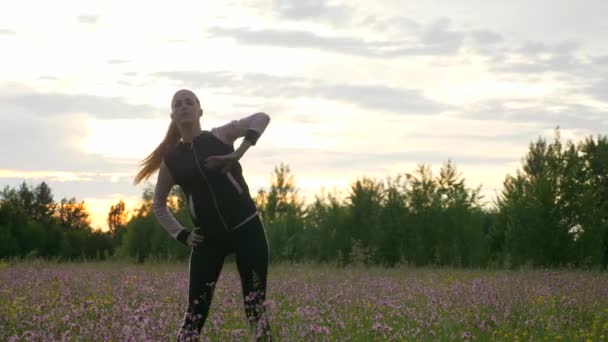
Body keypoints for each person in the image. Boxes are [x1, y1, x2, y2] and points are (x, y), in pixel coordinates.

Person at [133, 89, 272, 341]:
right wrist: (182, 234)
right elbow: (158, 204)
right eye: (178, 104)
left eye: (189, 102)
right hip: (208, 240)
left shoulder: (220, 136)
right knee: (194, 315)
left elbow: (262, 117)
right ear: (173, 115)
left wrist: (237, 153)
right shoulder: (172, 159)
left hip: (247, 229)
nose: (184, 106)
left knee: (256, 309)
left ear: (200, 110)